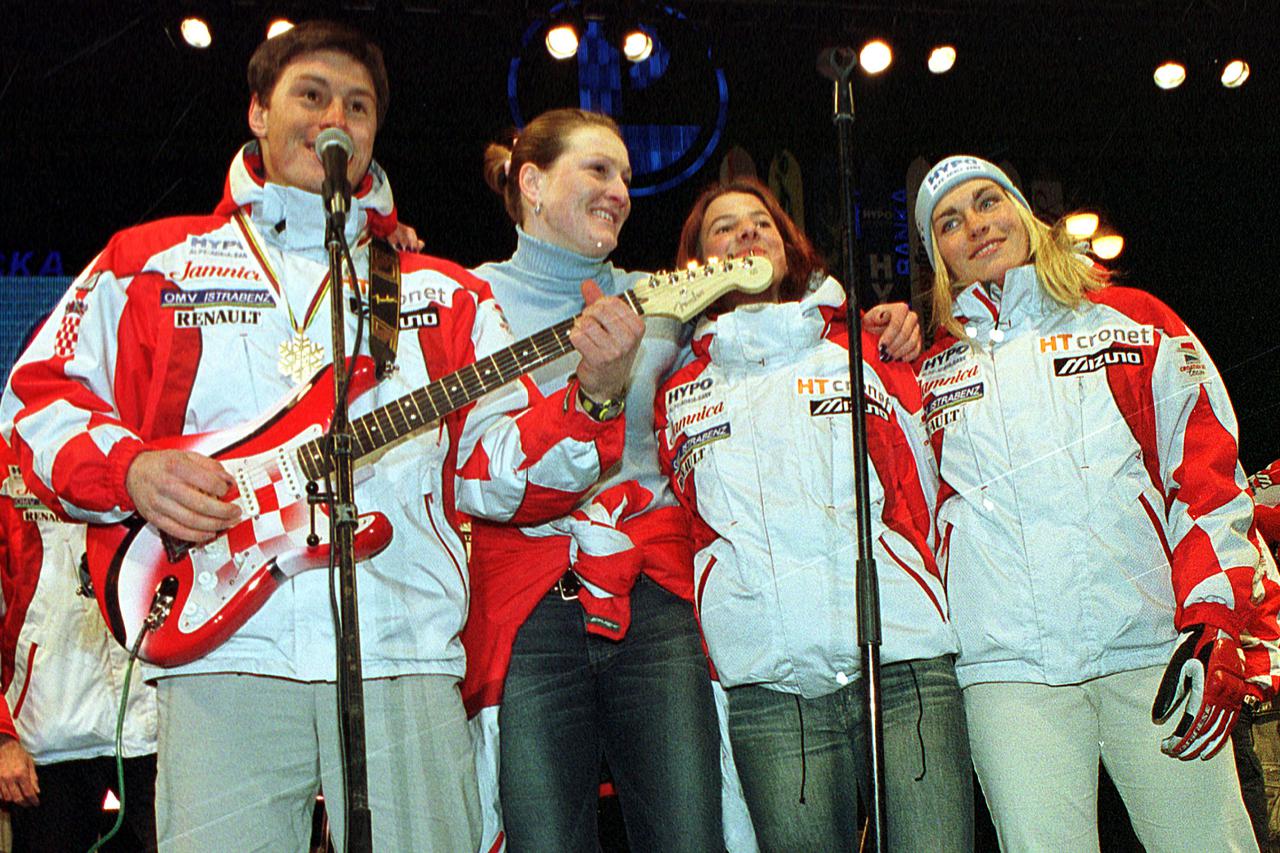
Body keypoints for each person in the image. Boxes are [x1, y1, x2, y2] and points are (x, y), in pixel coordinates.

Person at [0, 21, 642, 851]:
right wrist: (132, 469)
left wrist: (594, 397)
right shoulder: (152, 262)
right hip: (220, 657)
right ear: (258, 111)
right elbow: (32, 402)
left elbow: (499, 476)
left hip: (401, 648)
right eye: (311, 94)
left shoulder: (441, 294)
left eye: (359, 104)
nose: (335, 115)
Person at [459, 109, 921, 852]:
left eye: (627, 179)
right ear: (533, 183)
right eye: (599, 170)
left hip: (658, 596)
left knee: (690, 834)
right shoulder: (463, 299)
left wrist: (883, 329)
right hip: (528, 600)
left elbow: (777, 335)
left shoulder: (665, 297)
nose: (620, 191)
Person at [913, 154, 1280, 852]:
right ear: (940, 258)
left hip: (1149, 648)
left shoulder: (1132, 321)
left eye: (988, 202)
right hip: (1009, 675)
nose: (976, 226)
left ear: (1024, 212)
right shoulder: (928, 372)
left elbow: (1204, 474)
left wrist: (1214, 619)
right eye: (949, 223)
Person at [654, 177, 972, 851]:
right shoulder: (673, 393)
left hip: (904, 665)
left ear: (788, 245)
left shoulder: (865, 349)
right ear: (697, 263)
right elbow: (683, 533)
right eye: (724, 227)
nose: (746, 234)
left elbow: (923, 488)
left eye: (761, 223)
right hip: (773, 689)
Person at [0, 434, 158, 851]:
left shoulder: (151, 434)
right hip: (45, 735)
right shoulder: (5, 453)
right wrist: (1, 737)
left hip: (155, 725)